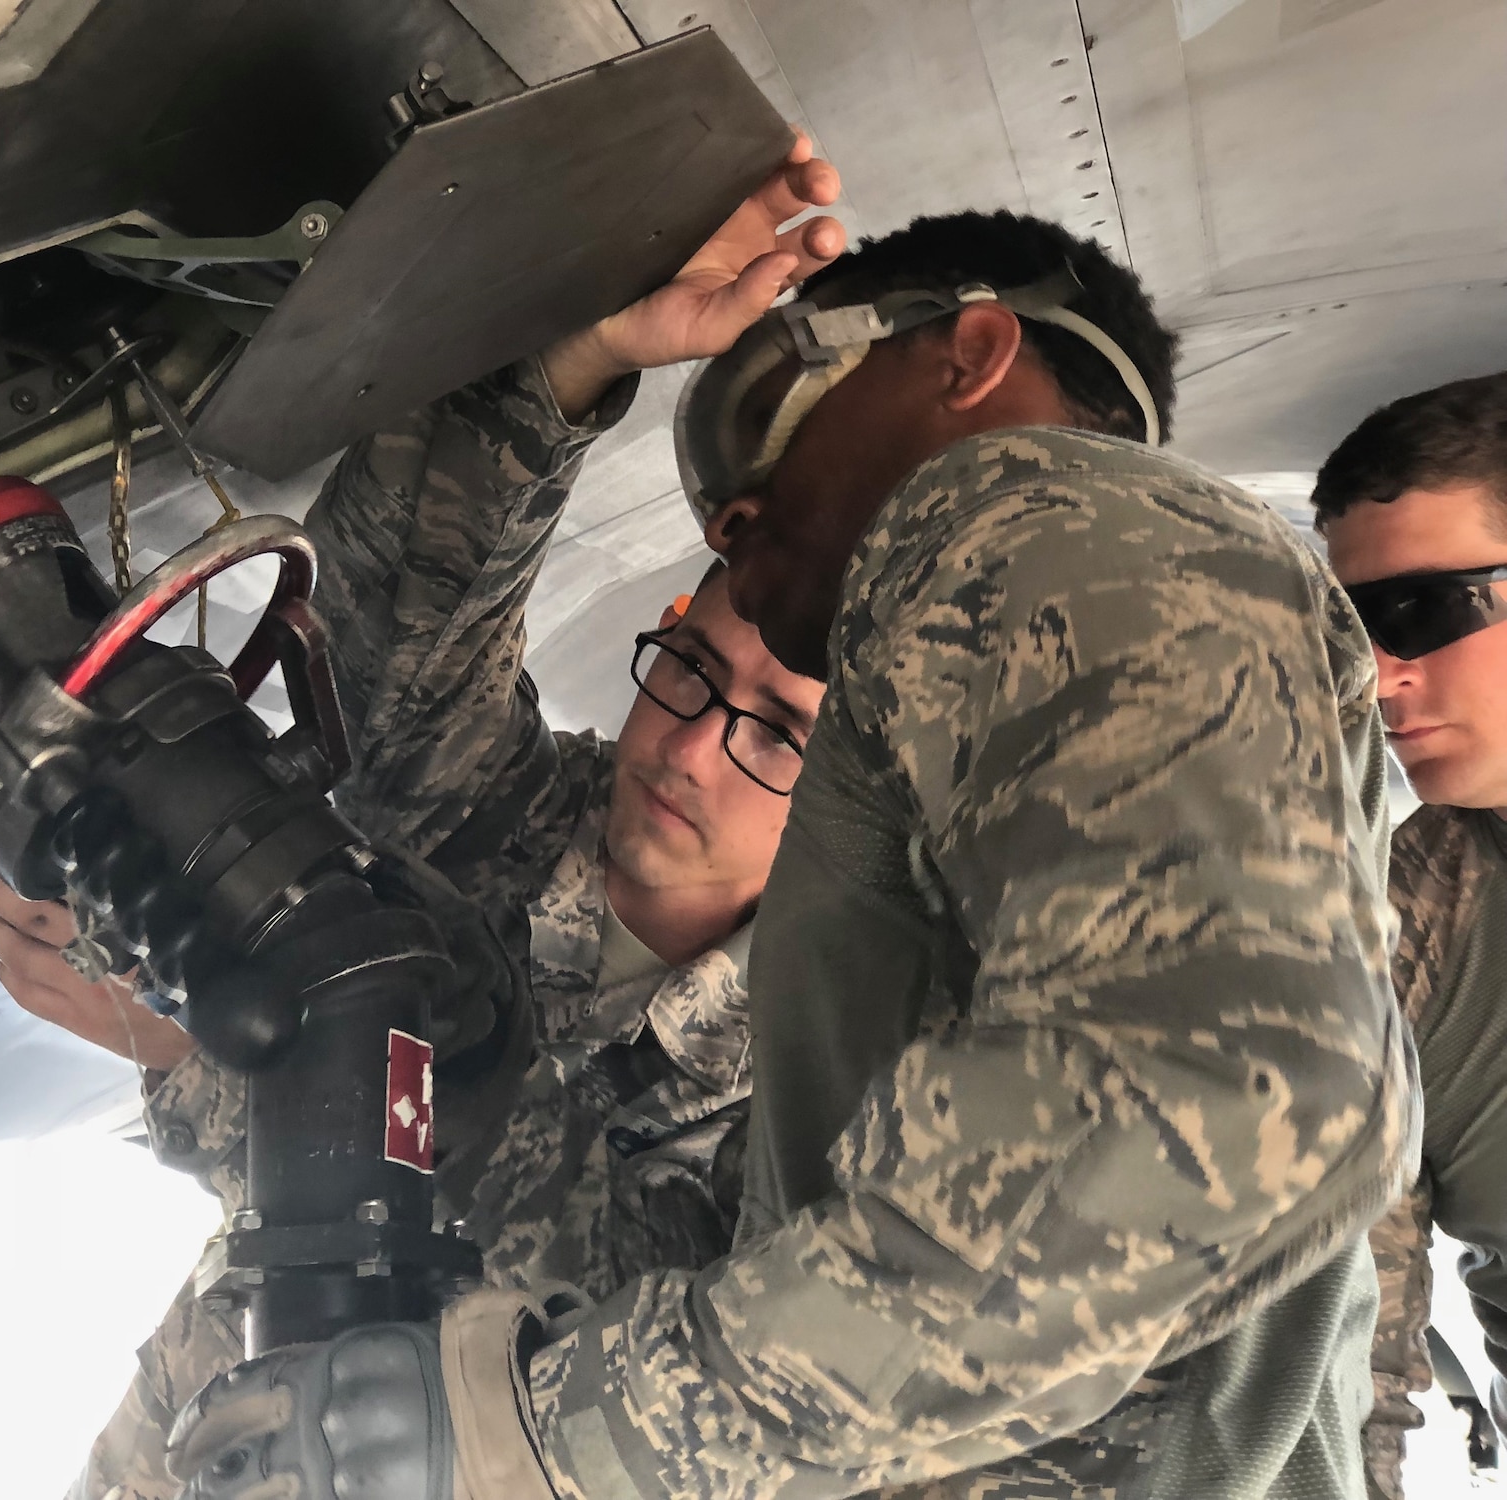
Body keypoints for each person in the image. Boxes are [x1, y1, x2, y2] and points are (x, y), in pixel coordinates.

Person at [158, 208, 1417, 1500]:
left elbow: (1227, 1091)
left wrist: (547, 1435)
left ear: (968, 357)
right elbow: (398, 687)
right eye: (693, 674)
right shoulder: (912, 896)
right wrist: (574, 353)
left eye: (773, 409)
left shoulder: (1044, 514)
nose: (734, 511)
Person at [0, 142, 845, 1500]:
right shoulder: (514, 817)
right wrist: (582, 352)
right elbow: (399, 633)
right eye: (692, 670)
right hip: (191, 1445)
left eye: (777, 733)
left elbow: (564, 1313)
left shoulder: (805, 1094)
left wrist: (194, 1048)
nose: (692, 745)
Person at [1311, 371, 1507, 1500]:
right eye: (1348, 631)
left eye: (1421, 611)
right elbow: (1347, 1340)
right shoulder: (1393, 916)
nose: (1377, 678)